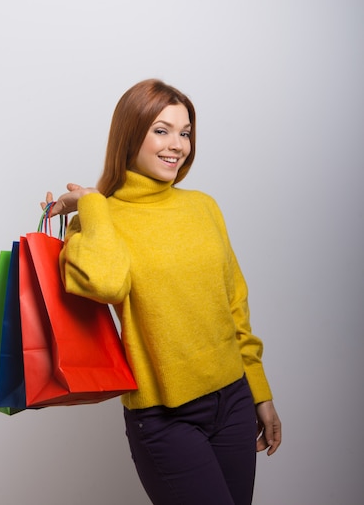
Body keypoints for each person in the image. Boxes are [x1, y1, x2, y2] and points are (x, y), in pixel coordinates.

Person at [42, 78, 281, 505]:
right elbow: (106, 283)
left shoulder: (203, 207)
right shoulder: (97, 221)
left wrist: (259, 390)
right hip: (165, 417)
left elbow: (234, 305)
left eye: (185, 132)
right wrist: (94, 204)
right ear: (131, 134)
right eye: (161, 130)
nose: (178, 145)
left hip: (234, 400)